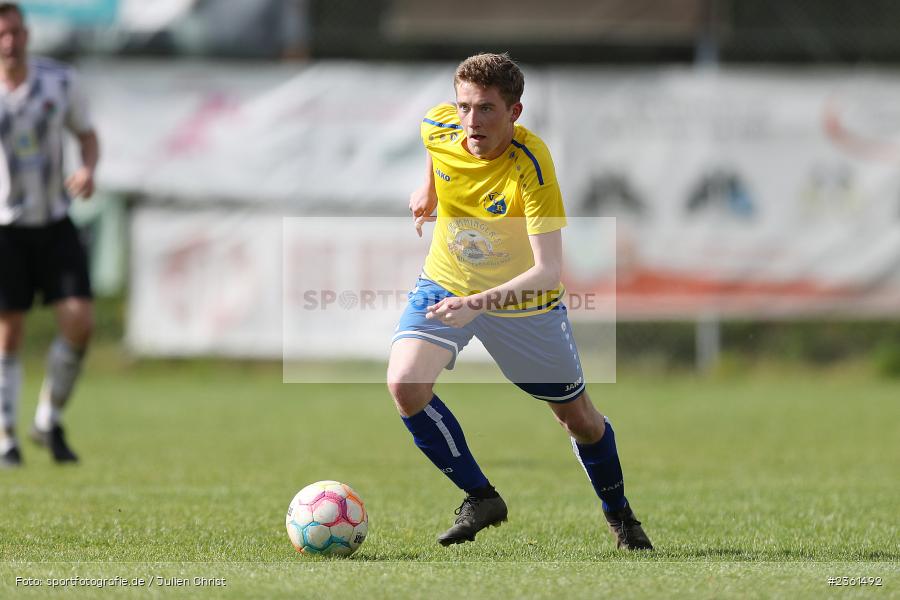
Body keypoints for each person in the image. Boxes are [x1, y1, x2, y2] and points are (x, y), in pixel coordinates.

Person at [387, 53, 653, 549]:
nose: (471, 121)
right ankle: (481, 496)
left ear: (515, 112)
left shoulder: (532, 163)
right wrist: (429, 190)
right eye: (464, 106)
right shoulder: (441, 125)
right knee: (405, 384)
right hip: (446, 281)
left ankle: (620, 516)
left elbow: (548, 270)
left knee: (579, 420)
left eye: (486, 109)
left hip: (524, 304)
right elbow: (433, 140)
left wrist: (479, 302)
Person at [0, 2, 99, 467]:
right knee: (8, 331)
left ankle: (47, 420)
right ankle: (5, 439)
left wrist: (87, 170)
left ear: (28, 33)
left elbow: (87, 134)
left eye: (16, 32)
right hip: (5, 228)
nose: (10, 41)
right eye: (2, 34)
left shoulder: (60, 81)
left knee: (80, 320)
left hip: (55, 220)